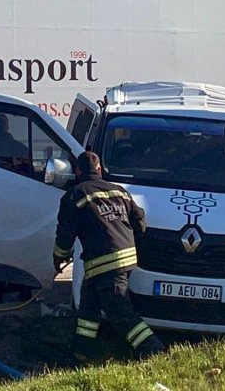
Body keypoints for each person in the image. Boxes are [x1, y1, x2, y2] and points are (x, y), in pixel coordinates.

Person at [54, 151, 165, 360]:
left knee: (121, 313)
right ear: (99, 169)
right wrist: (131, 240)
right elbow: (139, 219)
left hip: (104, 262)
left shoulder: (74, 195)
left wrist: (59, 256)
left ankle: (154, 351)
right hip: (122, 259)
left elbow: (65, 233)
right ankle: (83, 351)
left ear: (78, 171)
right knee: (89, 307)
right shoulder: (119, 191)